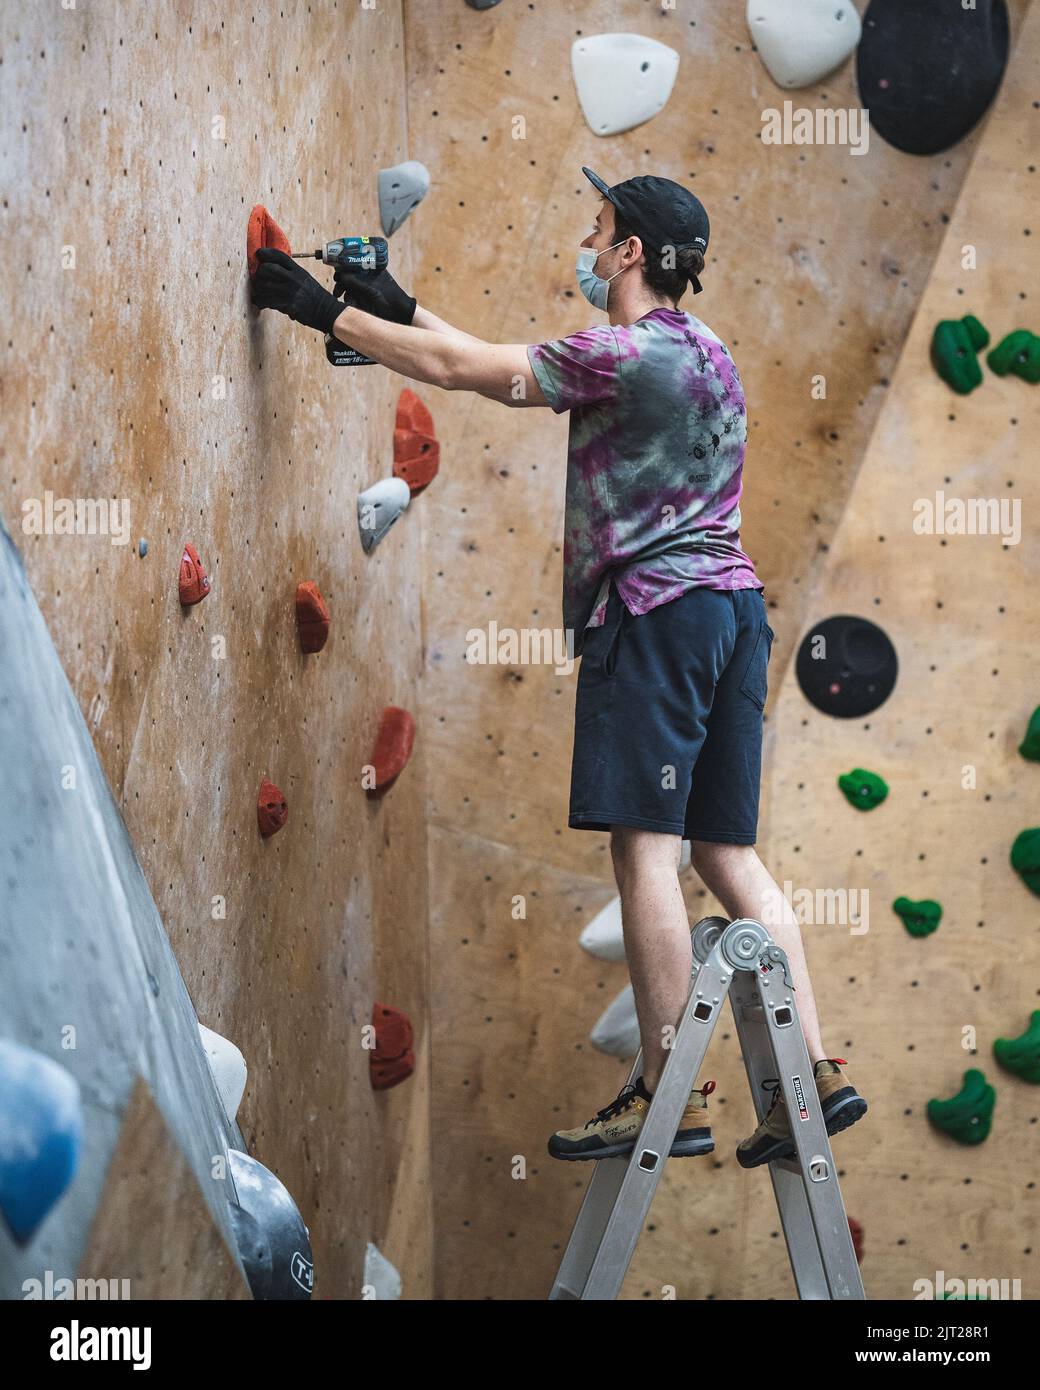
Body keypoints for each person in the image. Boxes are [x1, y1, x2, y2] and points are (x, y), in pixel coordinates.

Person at [251, 166, 867, 1171]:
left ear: (631, 252)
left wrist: (320, 309)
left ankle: (665, 1092)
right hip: (733, 612)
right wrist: (396, 305)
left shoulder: (621, 355)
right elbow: (482, 358)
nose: (587, 243)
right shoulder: (705, 350)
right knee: (727, 855)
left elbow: (467, 374)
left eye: (599, 228)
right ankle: (813, 1075)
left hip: (656, 616)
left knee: (644, 851)